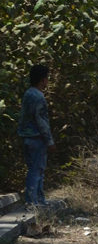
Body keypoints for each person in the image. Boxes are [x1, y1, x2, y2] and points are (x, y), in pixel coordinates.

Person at [18, 63, 54, 207]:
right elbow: (41, 121)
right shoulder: (39, 97)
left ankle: (39, 200)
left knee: (34, 168)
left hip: (26, 137)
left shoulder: (28, 94)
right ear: (43, 80)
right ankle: (33, 201)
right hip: (37, 138)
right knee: (37, 170)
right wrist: (50, 140)